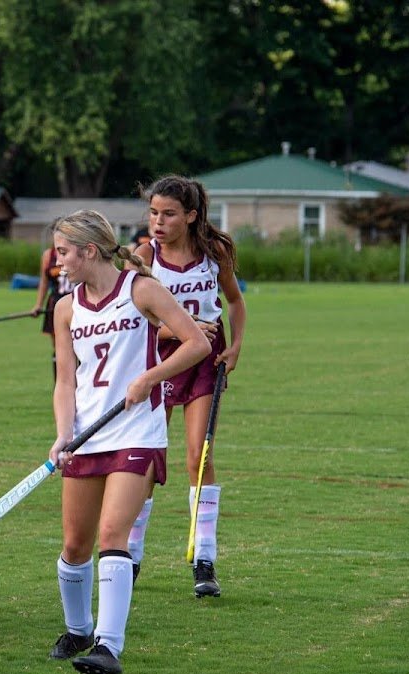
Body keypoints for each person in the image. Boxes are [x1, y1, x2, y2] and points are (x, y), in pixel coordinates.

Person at [47, 210, 210, 674]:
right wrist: (63, 433)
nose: (58, 261)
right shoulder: (65, 307)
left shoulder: (141, 290)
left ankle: (107, 645)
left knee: (111, 535)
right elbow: (65, 380)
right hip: (88, 433)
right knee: (75, 544)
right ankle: (78, 629)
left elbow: (196, 343)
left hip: (137, 431)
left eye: (63, 252)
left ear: (89, 251)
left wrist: (150, 378)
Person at [129, 175, 247, 598]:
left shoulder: (215, 252)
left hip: (204, 360)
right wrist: (169, 333)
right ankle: (130, 555)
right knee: (146, 458)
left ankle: (205, 558)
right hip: (161, 360)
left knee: (199, 456)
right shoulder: (144, 255)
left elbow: (234, 301)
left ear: (191, 215)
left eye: (168, 214)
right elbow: (133, 319)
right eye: (153, 212)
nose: (158, 222)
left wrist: (234, 346)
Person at [29, 225, 75, 380]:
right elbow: (44, 281)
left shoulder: (75, 252)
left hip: (75, 303)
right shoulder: (48, 255)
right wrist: (38, 305)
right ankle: (61, 381)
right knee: (58, 345)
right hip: (55, 303)